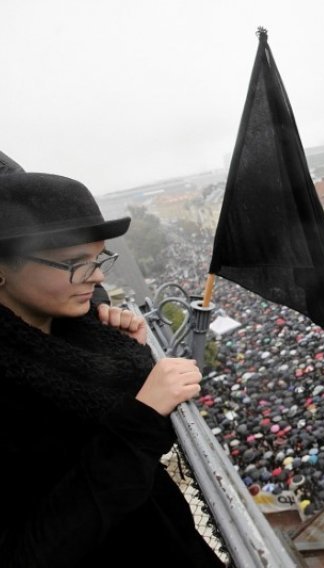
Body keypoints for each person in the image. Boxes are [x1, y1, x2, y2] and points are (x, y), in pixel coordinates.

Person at [0, 172, 225, 567]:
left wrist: (121, 348)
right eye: (75, 263)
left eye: (100, 257)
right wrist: (141, 418)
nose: (99, 276)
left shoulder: (84, 328)